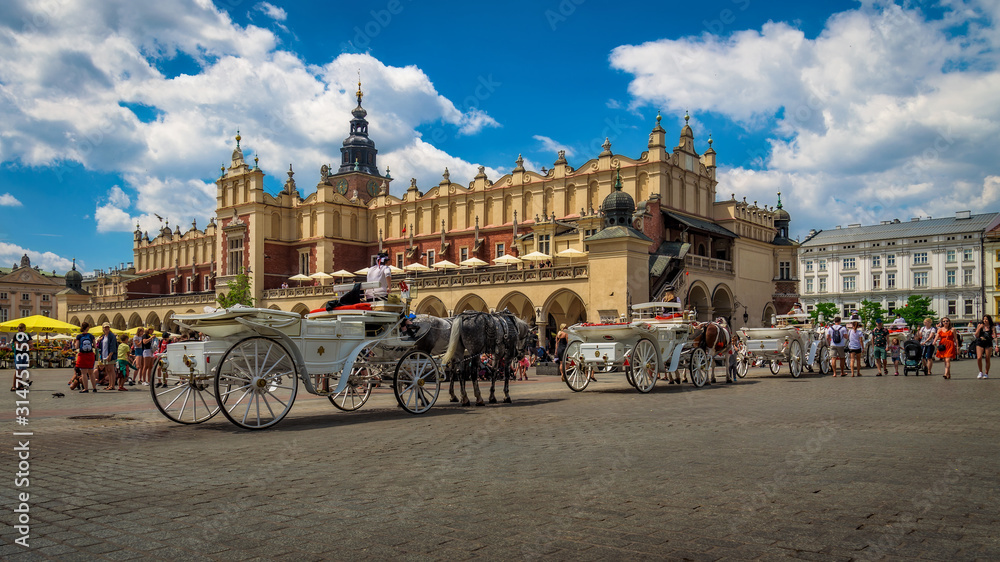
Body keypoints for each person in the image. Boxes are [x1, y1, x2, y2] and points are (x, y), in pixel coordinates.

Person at [75, 322, 98, 393]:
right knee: (91, 373)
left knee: (84, 373)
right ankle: (94, 388)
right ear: (87, 328)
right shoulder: (91, 336)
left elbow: (76, 347)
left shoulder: (79, 336)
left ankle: (86, 388)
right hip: (90, 355)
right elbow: (95, 346)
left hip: (82, 355)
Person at [96, 323, 118, 390]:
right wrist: (98, 341)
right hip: (104, 355)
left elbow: (113, 346)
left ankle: (112, 385)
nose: (106, 328)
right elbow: (100, 346)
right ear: (103, 328)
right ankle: (109, 384)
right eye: (105, 327)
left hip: (109, 355)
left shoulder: (112, 336)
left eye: (108, 327)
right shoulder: (103, 336)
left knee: (111, 370)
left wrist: (110, 355)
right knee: (108, 370)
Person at [974, 314, 994, 379]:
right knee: (979, 357)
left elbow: (995, 336)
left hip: (988, 342)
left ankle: (986, 373)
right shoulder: (980, 325)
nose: (985, 320)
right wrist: (979, 328)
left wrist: (996, 345)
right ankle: (980, 372)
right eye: (984, 319)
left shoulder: (992, 327)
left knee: (987, 358)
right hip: (980, 342)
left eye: (986, 319)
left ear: (989, 320)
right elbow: (976, 335)